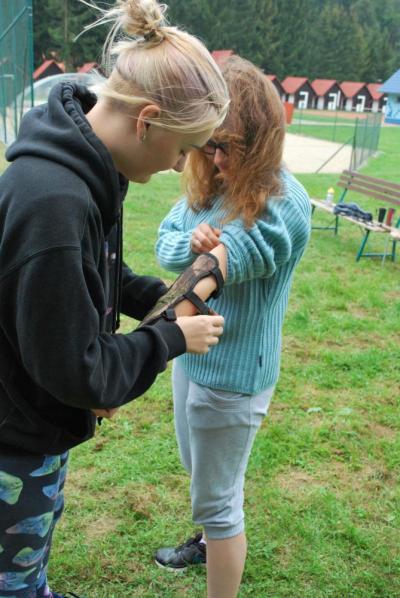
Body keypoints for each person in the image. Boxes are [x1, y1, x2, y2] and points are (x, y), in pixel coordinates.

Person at [0, 1, 230, 597]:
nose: (182, 163)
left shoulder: (88, 172)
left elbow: (96, 272)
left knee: (33, 540)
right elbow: (80, 371)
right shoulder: (54, 201)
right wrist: (172, 337)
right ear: (147, 119)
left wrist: (164, 294)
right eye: (185, 147)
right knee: (10, 569)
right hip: (14, 435)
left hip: (36, 421)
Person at [154, 56, 311, 598]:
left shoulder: (286, 202)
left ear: (261, 140)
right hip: (192, 358)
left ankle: (217, 559)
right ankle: (207, 541)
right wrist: (195, 241)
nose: (216, 158)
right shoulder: (209, 185)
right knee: (203, 474)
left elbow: (230, 259)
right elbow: (167, 243)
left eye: (229, 145)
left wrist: (143, 338)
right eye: (209, 144)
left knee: (219, 501)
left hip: (235, 375)